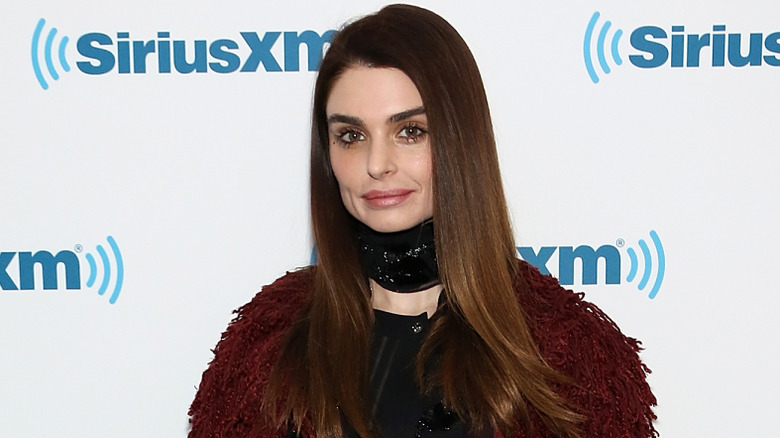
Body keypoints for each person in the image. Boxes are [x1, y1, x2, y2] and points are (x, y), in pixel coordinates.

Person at [188, 4, 657, 438]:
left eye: (410, 131)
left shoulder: (569, 354)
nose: (377, 163)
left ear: (459, 140)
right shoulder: (266, 345)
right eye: (350, 135)